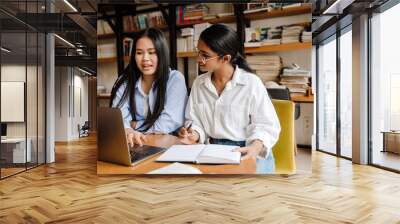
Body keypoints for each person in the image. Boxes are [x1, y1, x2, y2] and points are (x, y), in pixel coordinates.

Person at [178, 24, 281, 174]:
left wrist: (255, 146)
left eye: (205, 55)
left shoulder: (251, 83)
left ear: (225, 58)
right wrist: (193, 133)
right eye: (198, 52)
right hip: (210, 151)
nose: (198, 59)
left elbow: (266, 125)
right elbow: (194, 121)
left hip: (246, 150)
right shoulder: (198, 84)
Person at [110, 28, 187, 147]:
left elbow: (170, 120)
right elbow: (118, 118)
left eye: (152, 52)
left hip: (168, 145)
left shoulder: (175, 79)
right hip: (135, 144)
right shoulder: (125, 81)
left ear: (161, 53)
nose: (145, 58)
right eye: (139, 53)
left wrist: (137, 126)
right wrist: (129, 130)